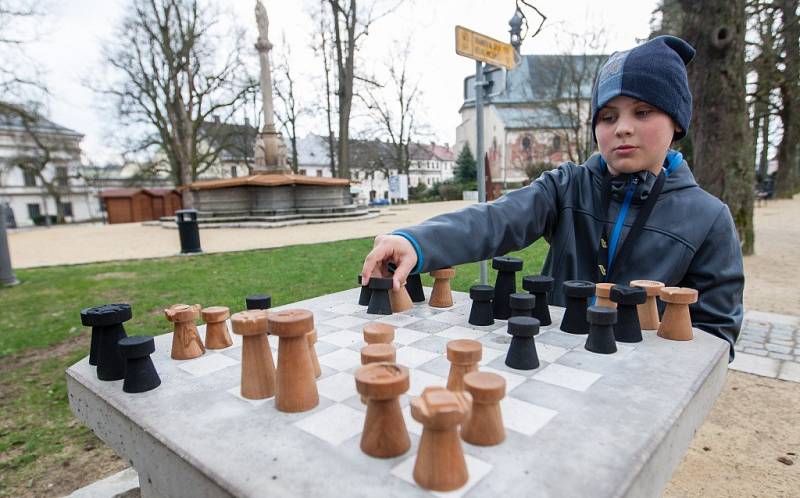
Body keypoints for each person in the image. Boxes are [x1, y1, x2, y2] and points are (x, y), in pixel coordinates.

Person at [360, 35, 744, 358]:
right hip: (555, 364)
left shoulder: (708, 218)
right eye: (608, 117)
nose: (623, 128)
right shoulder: (566, 186)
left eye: (642, 112)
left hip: (644, 387)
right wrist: (416, 241)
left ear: (676, 121)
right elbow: (498, 219)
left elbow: (717, 333)